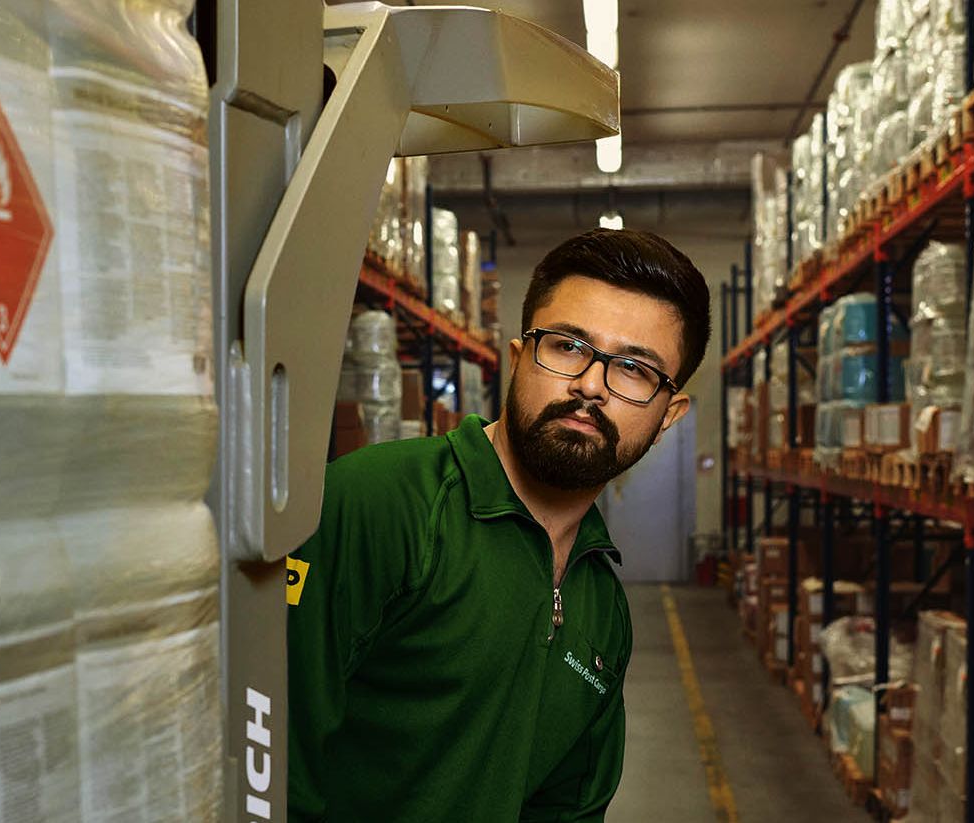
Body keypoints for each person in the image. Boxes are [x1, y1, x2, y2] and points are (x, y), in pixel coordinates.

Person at [286, 228, 711, 821]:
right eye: (567, 346)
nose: (591, 385)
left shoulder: (601, 607)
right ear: (517, 359)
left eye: (635, 370)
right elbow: (272, 761)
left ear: (668, 416)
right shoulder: (380, 505)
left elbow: (567, 808)